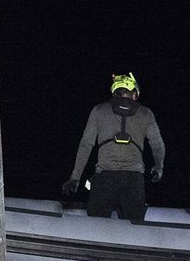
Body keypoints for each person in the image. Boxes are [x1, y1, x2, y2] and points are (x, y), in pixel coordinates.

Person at [62, 72, 165, 221]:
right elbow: (158, 145)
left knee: (96, 226)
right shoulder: (145, 113)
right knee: (135, 228)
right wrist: (158, 167)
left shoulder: (99, 110)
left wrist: (75, 177)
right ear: (134, 94)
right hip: (133, 180)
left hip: (104, 178)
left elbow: (86, 144)